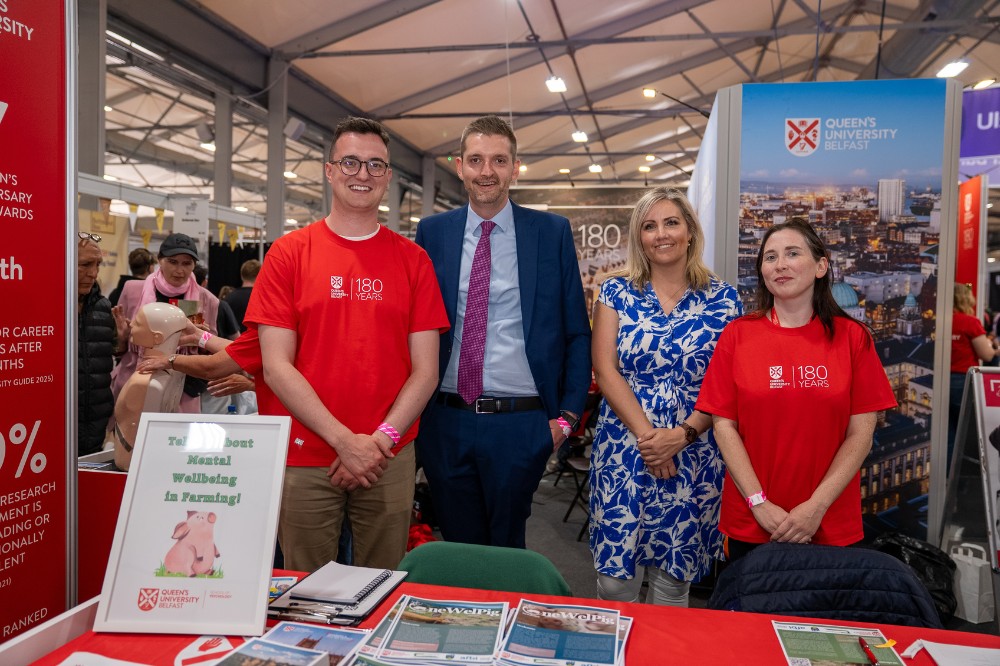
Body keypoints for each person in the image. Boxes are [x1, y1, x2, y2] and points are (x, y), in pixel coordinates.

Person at [244, 116, 448, 571]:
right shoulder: (289, 254)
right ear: (329, 170)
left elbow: (426, 371)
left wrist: (379, 442)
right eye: (351, 162)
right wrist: (343, 441)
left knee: (381, 585)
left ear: (389, 177)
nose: (363, 174)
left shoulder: (413, 261)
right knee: (301, 591)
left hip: (387, 458)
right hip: (305, 455)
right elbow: (277, 367)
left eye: (375, 165)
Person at [415, 114, 591, 548]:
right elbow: (412, 326)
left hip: (522, 424)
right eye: (476, 160)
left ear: (516, 167)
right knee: (458, 547)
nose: (486, 171)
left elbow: (576, 332)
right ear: (460, 166)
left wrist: (567, 420)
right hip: (446, 419)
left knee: (508, 551)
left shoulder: (550, 233)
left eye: (498, 160)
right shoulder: (432, 234)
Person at [696, 218, 897, 562]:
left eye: (792, 253)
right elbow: (724, 426)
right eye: (770, 257)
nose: (781, 265)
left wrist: (815, 508)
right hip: (754, 519)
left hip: (828, 521)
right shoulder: (738, 336)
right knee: (751, 612)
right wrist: (758, 502)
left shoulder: (853, 338)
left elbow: (861, 435)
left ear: (821, 266)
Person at [588, 188, 741, 607]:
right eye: (649, 226)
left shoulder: (724, 299)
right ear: (639, 238)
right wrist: (653, 440)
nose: (661, 234)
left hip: (696, 447)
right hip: (625, 445)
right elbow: (605, 370)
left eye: (671, 222)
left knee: (674, 582)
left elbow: (726, 382)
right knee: (616, 582)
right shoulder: (615, 292)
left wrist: (684, 434)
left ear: (690, 231)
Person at [112, 233, 220, 414]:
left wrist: (199, 339)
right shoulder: (133, 290)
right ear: (159, 260)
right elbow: (120, 347)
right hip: (136, 379)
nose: (180, 270)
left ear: (194, 265)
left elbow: (211, 350)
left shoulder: (206, 299)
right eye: (173, 261)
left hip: (182, 390)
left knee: (176, 440)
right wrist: (121, 339)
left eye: (187, 263)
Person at [108, 302, 188, 470]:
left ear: (157, 337)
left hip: (131, 462)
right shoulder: (175, 371)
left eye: (138, 323)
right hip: (148, 459)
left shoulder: (143, 382)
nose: (131, 324)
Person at [77, 232, 124, 456]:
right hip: (55, 423)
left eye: (97, 265)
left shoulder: (103, 307)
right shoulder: (45, 306)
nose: (93, 273)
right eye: (85, 265)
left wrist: (122, 342)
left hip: (96, 424)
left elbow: (108, 355)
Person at [948, 283, 997, 459]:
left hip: (938, 381)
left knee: (947, 433)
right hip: (962, 381)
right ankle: (964, 477)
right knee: (968, 431)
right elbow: (987, 354)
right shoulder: (970, 322)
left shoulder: (941, 320)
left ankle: (945, 476)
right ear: (965, 299)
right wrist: (996, 349)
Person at [224, 259, 260, 332]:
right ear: (260, 275)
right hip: (255, 341)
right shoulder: (263, 298)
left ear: (241, 275)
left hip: (232, 341)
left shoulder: (229, 298)